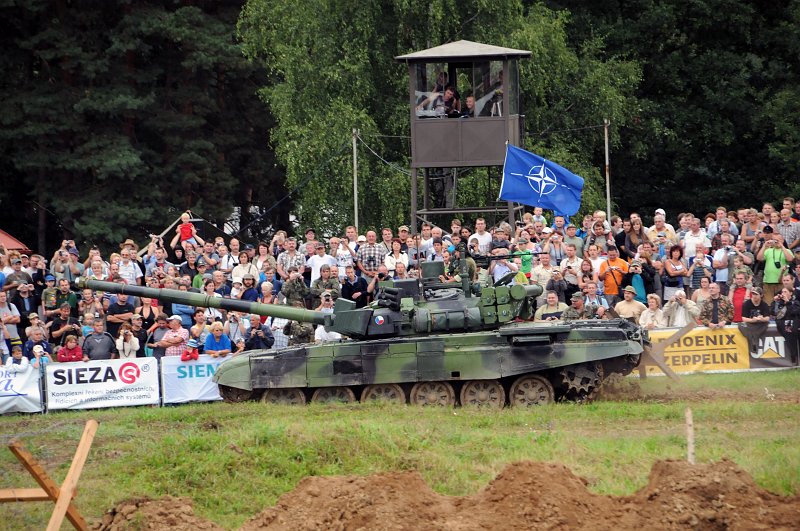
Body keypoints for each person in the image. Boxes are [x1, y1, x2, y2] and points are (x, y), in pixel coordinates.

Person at [738, 287, 770, 354]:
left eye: (756, 294)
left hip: (760, 324)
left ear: (761, 295)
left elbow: (767, 318)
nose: (754, 296)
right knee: (741, 325)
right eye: (753, 294)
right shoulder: (746, 304)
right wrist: (752, 320)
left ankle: (754, 340)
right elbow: (743, 318)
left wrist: (762, 319)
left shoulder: (764, 304)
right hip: (750, 323)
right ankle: (753, 341)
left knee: (765, 324)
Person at [772, 286, 800, 361]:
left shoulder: (795, 302)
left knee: (791, 333)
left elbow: (795, 312)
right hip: (782, 325)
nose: (783, 294)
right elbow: (774, 313)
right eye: (782, 292)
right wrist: (776, 302)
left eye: (785, 292)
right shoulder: (779, 302)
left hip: (793, 325)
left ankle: (794, 357)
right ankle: (793, 356)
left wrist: (788, 302)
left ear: (791, 293)